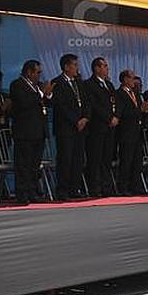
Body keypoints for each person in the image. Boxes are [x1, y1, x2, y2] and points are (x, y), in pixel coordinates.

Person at [9, 60, 51, 204]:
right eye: (37, 72)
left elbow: (45, 103)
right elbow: (23, 103)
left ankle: (33, 191)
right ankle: (22, 194)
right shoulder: (17, 85)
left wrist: (47, 94)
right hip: (24, 132)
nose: (39, 75)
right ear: (29, 72)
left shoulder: (37, 87)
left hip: (38, 131)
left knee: (34, 165)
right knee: (23, 164)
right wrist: (40, 94)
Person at [52, 53, 90, 201]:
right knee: (65, 159)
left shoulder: (79, 82)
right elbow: (61, 106)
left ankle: (75, 188)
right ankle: (63, 190)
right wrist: (76, 120)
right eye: (74, 65)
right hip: (66, 128)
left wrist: (85, 118)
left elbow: (87, 102)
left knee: (78, 159)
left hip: (81, 127)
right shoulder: (57, 82)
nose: (76, 68)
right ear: (66, 66)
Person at [83, 57, 119, 197]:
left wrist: (115, 116)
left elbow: (114, 103)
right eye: (104, 66)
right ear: (96, 68)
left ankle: (107, 187)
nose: (107, 68)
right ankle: (95, 188)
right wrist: (108, 118)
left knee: (106, 158)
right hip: (97, 127)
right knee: (95, 158)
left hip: (110, 128)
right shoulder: (89, 84)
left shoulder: (109, 85)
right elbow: (94, 105)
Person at [115, 69, 147, 196]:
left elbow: (139, 109)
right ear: (125, 79)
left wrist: (145, 110)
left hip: (137, 131)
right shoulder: (119, 94)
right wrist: (140, 109)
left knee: (137, 161)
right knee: (126, 160)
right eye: (132, 78)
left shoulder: (136, 94)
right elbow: (122, 112)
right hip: (126, 132)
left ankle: (136, 185)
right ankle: (123, 186)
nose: (134, 81)